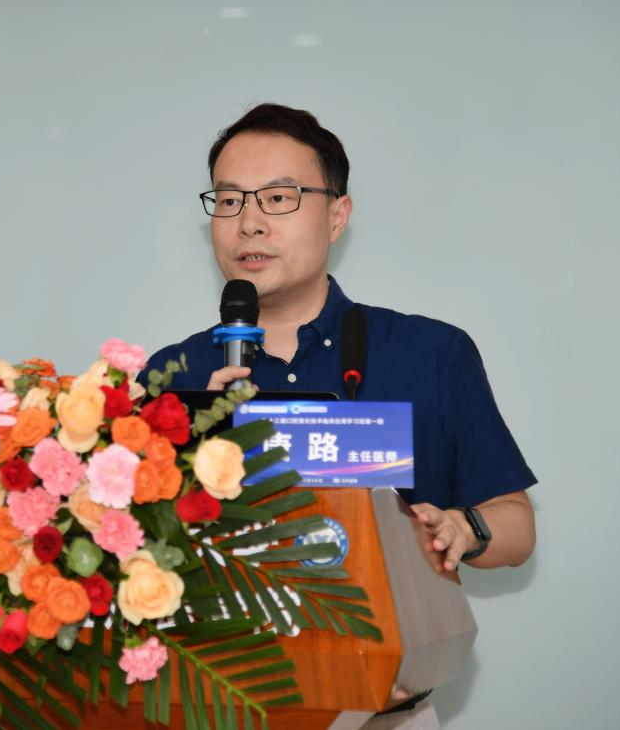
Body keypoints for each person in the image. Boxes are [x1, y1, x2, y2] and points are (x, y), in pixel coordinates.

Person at [140, 103, 537, 726]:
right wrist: (196, 443)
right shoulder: (174, 375)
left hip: (383, 713)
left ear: (337, 215)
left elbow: (517, 525)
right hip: (213, 706)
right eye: (230, 200)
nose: (249, 223)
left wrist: (463, 529)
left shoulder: (431, 354)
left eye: (278, 198)